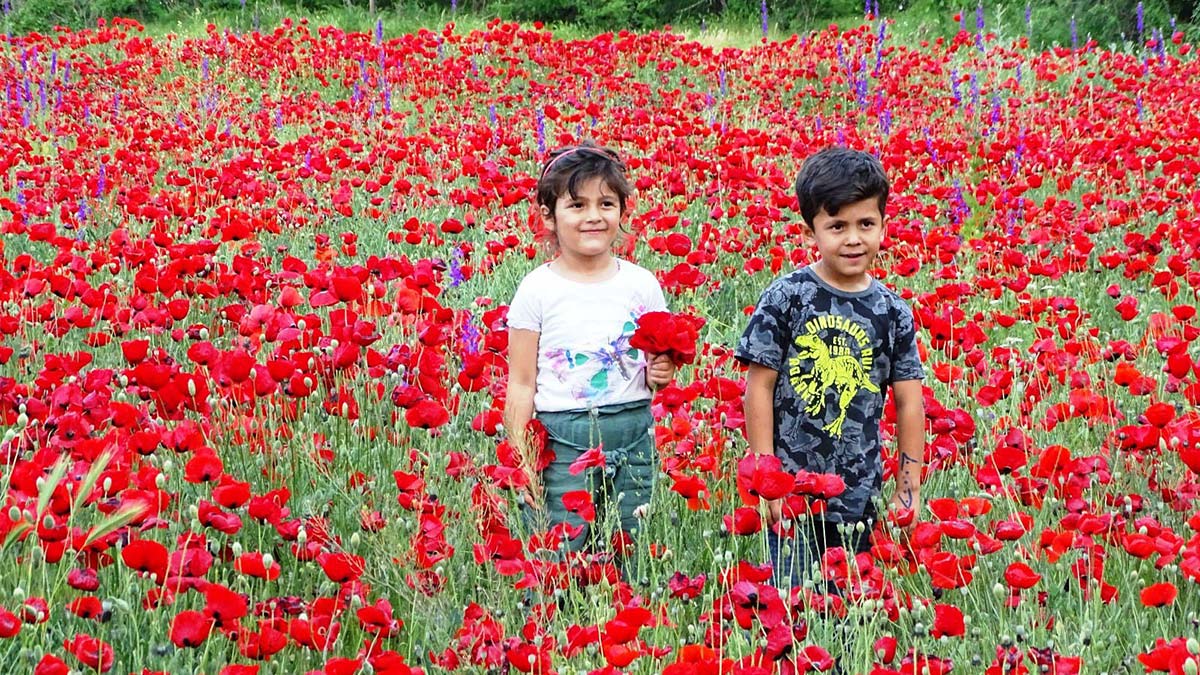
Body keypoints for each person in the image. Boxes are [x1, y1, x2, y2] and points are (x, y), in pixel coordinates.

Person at [735, 146, 925, 590]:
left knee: (849, 607)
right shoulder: (788, 296)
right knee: (790, 605)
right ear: (811, 232)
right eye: (837, 226)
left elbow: (909, 403)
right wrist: (765, 472)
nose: (853, 239)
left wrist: (908, 484)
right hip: (791, 491)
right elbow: (758, 386)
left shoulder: (892, 311)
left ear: (883, 227)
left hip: (859, 493)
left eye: (866, 224)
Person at [505, 141, 675, 554]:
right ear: (548, 216)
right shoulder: (538, 290)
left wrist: (662, 373)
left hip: (634, 434)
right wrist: (521, 460)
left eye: (606, 204)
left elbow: (658, 370)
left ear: (622, 211)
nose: (593, 216)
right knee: (560, 551)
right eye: (577, 205)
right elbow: (522, 384)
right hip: (563, 441)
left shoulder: (642, 285)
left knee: (630, 549)